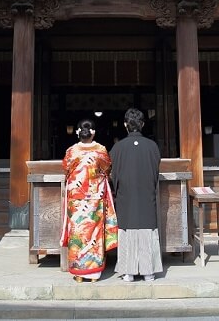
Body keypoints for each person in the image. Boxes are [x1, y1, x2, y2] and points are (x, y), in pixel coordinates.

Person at [60, 118, 118, 283]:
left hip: (76, 199)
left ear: (78, 132)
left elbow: (66, 169)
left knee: (77, 231)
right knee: (94, 232)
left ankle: (79, 273)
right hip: (95, 198)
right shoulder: (100, 150)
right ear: (93, 132)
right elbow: (107, 168)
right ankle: (93, 274)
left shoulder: (72, 151)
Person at [110, 107, 162, 282]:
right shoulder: (152, 146)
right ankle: (149, 272)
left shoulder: (117, 148)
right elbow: (155, 173)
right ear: (142, 124)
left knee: (128, 232)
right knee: (147, 231)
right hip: (147, 196)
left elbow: (114, 176)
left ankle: (128, 272)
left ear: (125, 125)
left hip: (126, 197)